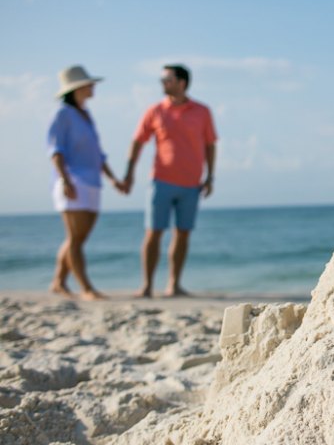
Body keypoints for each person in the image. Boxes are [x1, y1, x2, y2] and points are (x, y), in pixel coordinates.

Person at [122, 64, 217, 298]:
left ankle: (174, 284)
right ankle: (146, 286)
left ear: (181, 82)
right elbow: (137, 141)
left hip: (191, 184)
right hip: (160, 181)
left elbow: (210, 144)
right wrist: (129, 172)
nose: (162, 83)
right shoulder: (155, 111)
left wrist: (210, 176)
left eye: (167, 79)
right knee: (153, 233)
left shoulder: (202, 111)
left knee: (182, 233)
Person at [46, 65, 127, 300]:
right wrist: (65, 180)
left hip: (92, 182)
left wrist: (113, 179)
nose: (92, 87)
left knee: (78, 238)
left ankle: (58, 282)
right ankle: (86, 288)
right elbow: (55, 151)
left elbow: (98, 154)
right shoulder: (63, 114)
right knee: (74, 238)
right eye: (89, 84)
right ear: (76, 89)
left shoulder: (86, 115)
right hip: (73, 180)